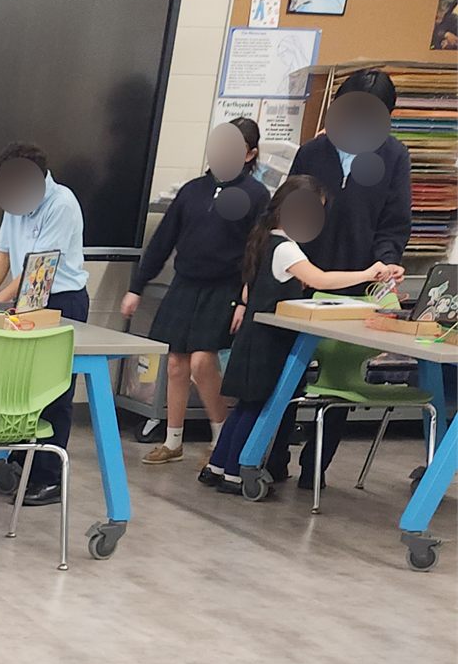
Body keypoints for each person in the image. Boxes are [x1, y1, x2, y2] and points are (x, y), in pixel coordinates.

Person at [201, 178, 391, 492]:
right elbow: (322, 278)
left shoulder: (264, 240)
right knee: (256, 408)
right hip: (268, 344)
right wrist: (369, 273)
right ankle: (236, 474)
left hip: (253, 337)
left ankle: (218, 465)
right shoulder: (286, 248)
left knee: (245, 406)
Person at [282, 70, 411, 486]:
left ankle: (315, 467)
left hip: (357, 285)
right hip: (302, 279)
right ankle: (272, 456)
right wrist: (294, 264)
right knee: (286, 372)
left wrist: (386, 264)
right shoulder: (312, 153)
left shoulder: (394, 157)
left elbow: (394, 224)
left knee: (339, 381)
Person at [121, 118, 269, 465]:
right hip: (186, 283)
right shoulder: (192, 190)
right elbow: (163, 241)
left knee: (203, 362)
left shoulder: (257, 196)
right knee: (175, 363)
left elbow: (257, 252)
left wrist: (245, 300)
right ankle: (173, 441)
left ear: (250, 154)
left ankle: (222, 438)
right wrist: (136, 287)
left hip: (225, 287)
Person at [0, 143, 90, 504]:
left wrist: (0, 300)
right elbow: (5, 252)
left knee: (53, 390)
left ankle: (48, 476)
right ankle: (18, 463)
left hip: (60, 298)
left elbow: (39, 267)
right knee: (22, 386)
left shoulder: (62, 204)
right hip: (26, 299)